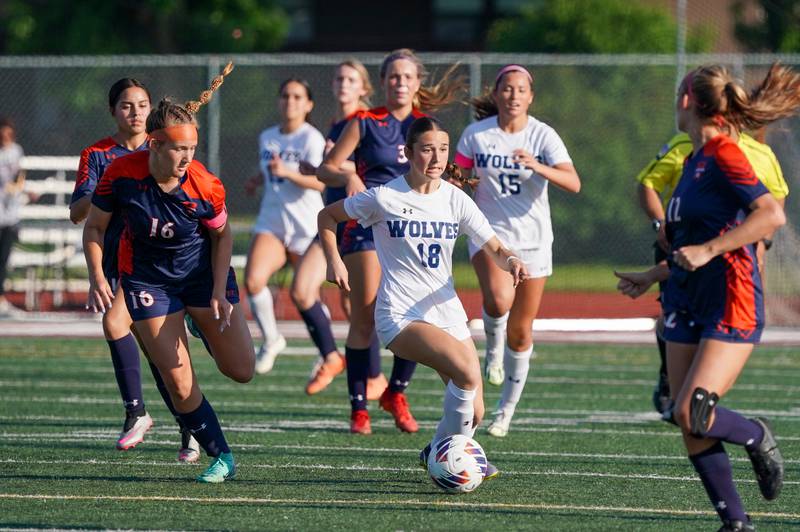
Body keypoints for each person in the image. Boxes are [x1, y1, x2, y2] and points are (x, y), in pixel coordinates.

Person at [616, 63, 798, 531]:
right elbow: (690, 246)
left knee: (691, 410)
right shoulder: (693, 159)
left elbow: (770, 216)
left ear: (686, 102)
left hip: (730, 300)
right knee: (685, 418)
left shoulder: (722, 154)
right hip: (685, 297)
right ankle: (735, 523)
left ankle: (756, 435)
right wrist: (651, 274)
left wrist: (712, 249)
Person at [319, 116, 526, 477]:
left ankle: (437, 449)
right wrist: (334, 260)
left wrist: (509, 260)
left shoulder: (455, 200)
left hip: (447, 312)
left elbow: (492, 243)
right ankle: (453, 459)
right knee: (465, 373)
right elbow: (327, 216)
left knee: (474, 411)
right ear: (408, 152)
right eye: (427, 149)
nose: (437, 157)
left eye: (443, 149)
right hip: (400, 316)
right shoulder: (385, 196)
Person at [84, 63, 255, 483]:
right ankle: (221, 455)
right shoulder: (120, 174)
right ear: (154, 145)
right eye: (178, 149)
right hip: (148, 281)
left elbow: (223, 237)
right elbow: (94, 226)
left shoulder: (206, 185)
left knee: (242, 370)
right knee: (178, 381)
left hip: (200, 276)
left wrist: (218, 289)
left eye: (192, 149)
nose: (186, 158)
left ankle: (201, 325)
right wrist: (97, 276)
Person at [318, 48, 465, 434]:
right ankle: (358, 407)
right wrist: (347, 175)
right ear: (383, 83)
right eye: (393, 77)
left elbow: (445, 170)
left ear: (418, 82)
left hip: (413, 229)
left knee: (417, 311)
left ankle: (395, 392)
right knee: (364, 313)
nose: (400, 83)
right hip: (367, 225)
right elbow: (327, 168)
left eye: (407, 76)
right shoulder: (365, 122)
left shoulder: (426, 125)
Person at [69, 79, 203, 458]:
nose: (136, 112)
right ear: (113, 110)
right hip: (118, 260)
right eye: (127, 105)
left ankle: (142, 413)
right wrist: (116, 183)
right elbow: (79, 213)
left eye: (142, 104)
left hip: (156, 262)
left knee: (139, 337)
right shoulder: (97, 155)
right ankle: (185, 423)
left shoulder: (162, 146)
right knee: (149, 347)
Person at [453, 65, 581, 438]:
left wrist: (537, 166)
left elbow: (572, 182)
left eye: (520, 89)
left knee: (522, 331)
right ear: (496, 94)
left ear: (530, 96)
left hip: (534, 240)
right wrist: (460, 179)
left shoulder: (543, 135)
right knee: (497, 299)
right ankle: (492, 353)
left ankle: (505, 412)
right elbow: (457, 176)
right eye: (506, 89)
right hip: (489, 234)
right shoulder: (477, 134)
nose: (513, 95)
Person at [634, 130, 788, 414]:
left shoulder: (747, 154)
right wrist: (661, 227)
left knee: (691, 408)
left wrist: (761, 242)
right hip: (680, 252)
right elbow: (647, 184)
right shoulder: (686, 148)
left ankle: (719, 409)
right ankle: (674, 381)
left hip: (726, 261)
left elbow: (774, 205)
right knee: (685, 406)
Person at [291, 59, 389, 396]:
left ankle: (376, 379)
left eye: (351, 79)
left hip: (360, 227)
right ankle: (332, 357)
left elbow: (374, 168)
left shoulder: (368, 122)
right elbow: (334, 171)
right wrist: (317, 168)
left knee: (358, 309)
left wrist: (342, 168)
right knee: (302, 290)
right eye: (339, 78)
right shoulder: (335, 124)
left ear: (364, 88)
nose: (343, 84)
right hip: (333, 224)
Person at [243, 78, 326, 375]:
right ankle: (271, 339)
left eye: (297, 96)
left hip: (306, 223)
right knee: (253, 280)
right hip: (273, 220)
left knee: (307, 295)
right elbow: (268, 168)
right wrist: (257, 178)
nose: (290, 101)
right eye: (285, 96)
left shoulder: (311, 138)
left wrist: (288, 173)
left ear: (308, 104)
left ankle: (325, 353)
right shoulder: (268, 136)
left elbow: (319, 180)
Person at [0, 118, 25, 317]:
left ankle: (1, 299)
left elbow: (18, 176)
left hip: (10, 216)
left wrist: (18, 187)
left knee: (4, 258)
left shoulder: (16, 151)